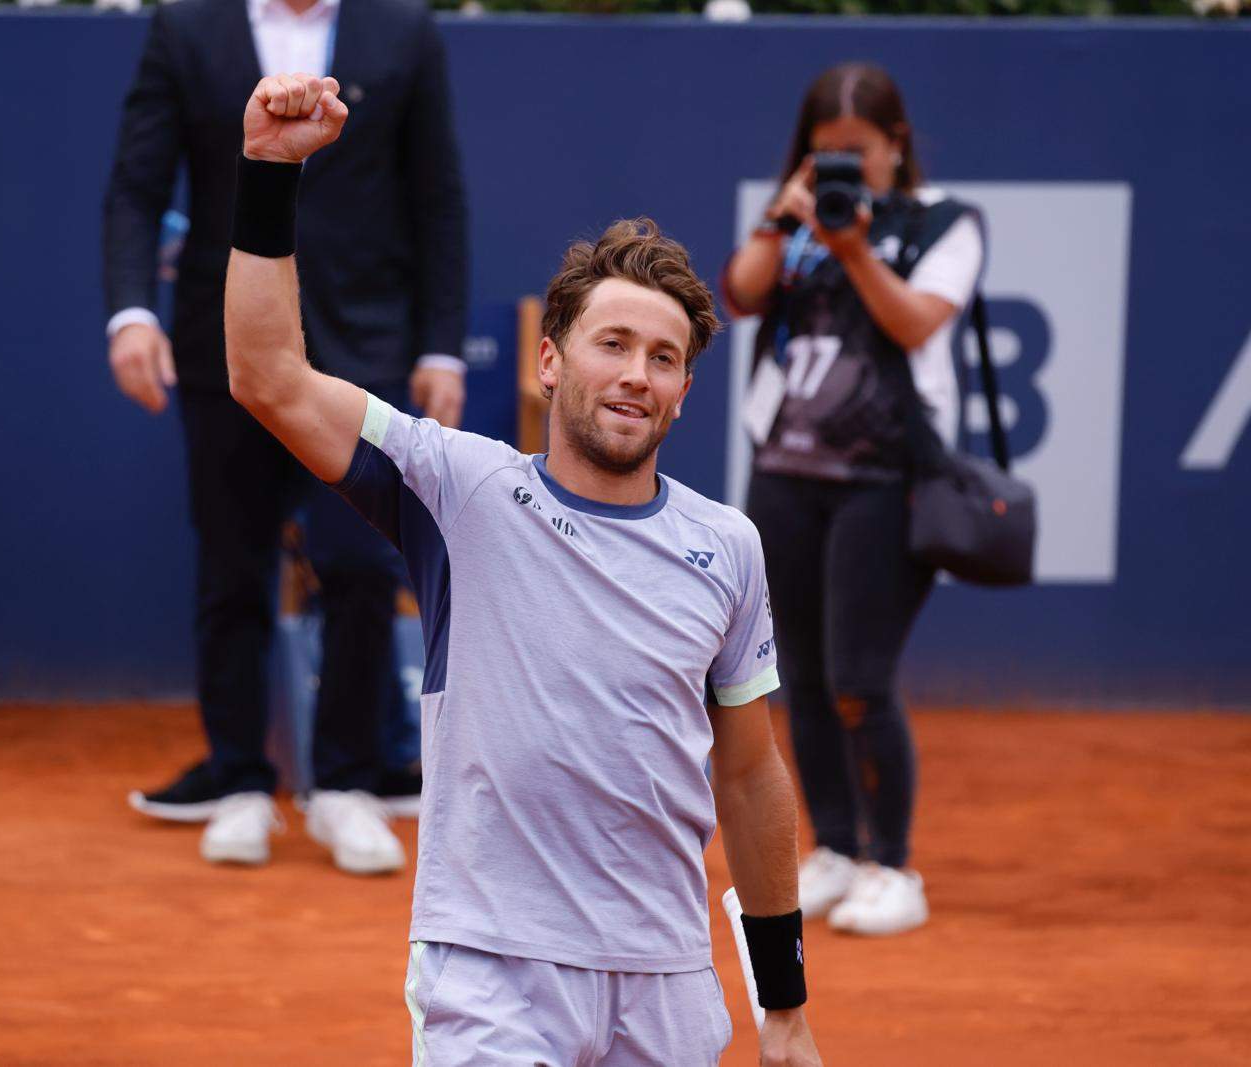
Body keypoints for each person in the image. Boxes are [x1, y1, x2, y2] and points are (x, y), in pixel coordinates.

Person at [226, 73, 823, 1067]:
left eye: (664, 357)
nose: (637, 373)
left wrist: (786, 1007)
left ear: (681, 391)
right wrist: (266, 172)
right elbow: (267, 376)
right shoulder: (459, 488)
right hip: (490, 969)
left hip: (667, 980)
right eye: (613, 344)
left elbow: (752, 776)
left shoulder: (728, 546)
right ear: (550, 361)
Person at [101, 0, 467, 872]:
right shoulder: (183, 27)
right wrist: (129, 311)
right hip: (217, 335)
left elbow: (436, 194)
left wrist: (441, 344)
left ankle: (346, 783)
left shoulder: (405, 29)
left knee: (358, 562)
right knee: (232, 562)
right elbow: (138, 184)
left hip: (362, 336)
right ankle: (239, 783)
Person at [722, 63, 986, 937]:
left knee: (859, 680)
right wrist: (782, 211)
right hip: (786, 474)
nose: (841, 170)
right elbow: (742, 293)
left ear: (895, 144)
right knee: (794, 674)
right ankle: (834, 847)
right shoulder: (794, 223)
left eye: (856, 154)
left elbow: (915, 321)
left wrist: (853, 248)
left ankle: (894, 864)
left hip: (887, 481)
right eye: (823, 155)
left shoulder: (947, 222)